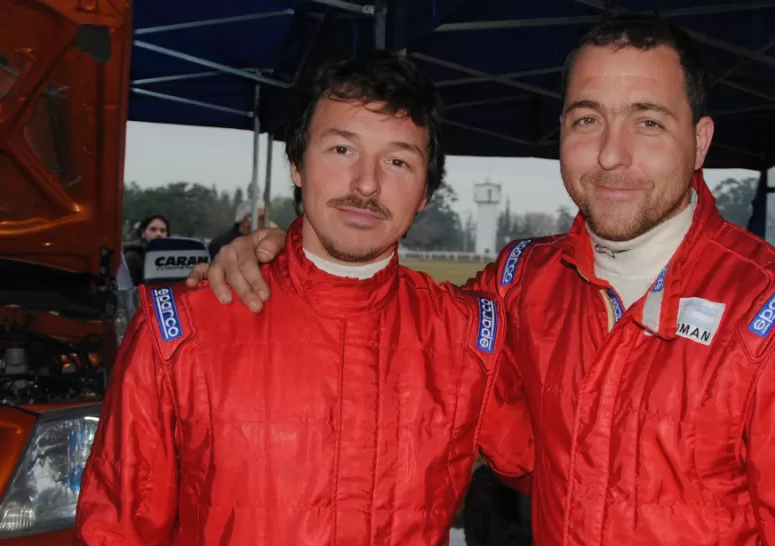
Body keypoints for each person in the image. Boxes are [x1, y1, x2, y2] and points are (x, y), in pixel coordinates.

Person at [188, 15, 775, 545]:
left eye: (648, 122)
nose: (612, 155)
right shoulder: (525, 283)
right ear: (561, 130)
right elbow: (390, 321)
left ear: (700, 141)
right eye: (588, 120)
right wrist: (288, 249)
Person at [75, 51, 513, 545]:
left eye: (397, 160)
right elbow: (116, 529)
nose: (367, 183)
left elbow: (573, 462)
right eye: (342, 150)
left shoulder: (471, 337)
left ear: (426, 192)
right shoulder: (181, 327)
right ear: (297, 166)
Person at [207, 198, 271, 258]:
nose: (266, 222)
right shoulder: (222, 245)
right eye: (262, 218)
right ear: (246, 220)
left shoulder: (264, 244)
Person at [123, 213, 170, 285]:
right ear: (143, 233)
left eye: (162, 230)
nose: (158, 234)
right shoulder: (133, 256)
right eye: (153, 229)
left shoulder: (172, 256)